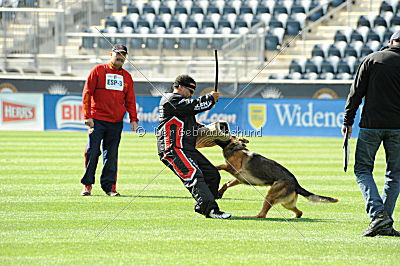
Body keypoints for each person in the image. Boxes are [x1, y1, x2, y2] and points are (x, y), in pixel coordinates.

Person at [342, 30, 400, 237]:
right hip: (398, 128)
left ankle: (378, 216)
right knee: (395, 174)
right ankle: (384, 221)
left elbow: (355, 93)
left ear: (391, 41)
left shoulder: (372, 59)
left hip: (371, 126)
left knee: (362, 170)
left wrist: (348, 121)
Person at [157, 74, 231, 219]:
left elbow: (191, 121)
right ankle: (211, 210)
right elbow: (192, 106)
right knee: (193, 174)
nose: (191, 94)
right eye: (190, 91)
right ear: (179, 87)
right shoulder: (170, 100)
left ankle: (202, 204)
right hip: (173, 148)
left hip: (186, 148)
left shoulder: (182, 106)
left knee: (212, 174)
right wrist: (210, 99)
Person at [81, 44, 139, 196]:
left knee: (111, 155)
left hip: (116, 122)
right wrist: (87, 116)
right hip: (97, 120)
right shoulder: (98, 71)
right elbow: (87, 93)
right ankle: (87, 185)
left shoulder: (127, 77)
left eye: (123, 55)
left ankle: (110, 187)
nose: (120, 57)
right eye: (117, 54)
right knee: (92, 151)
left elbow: (130, 100)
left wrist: (134, 119)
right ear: (110, 54)